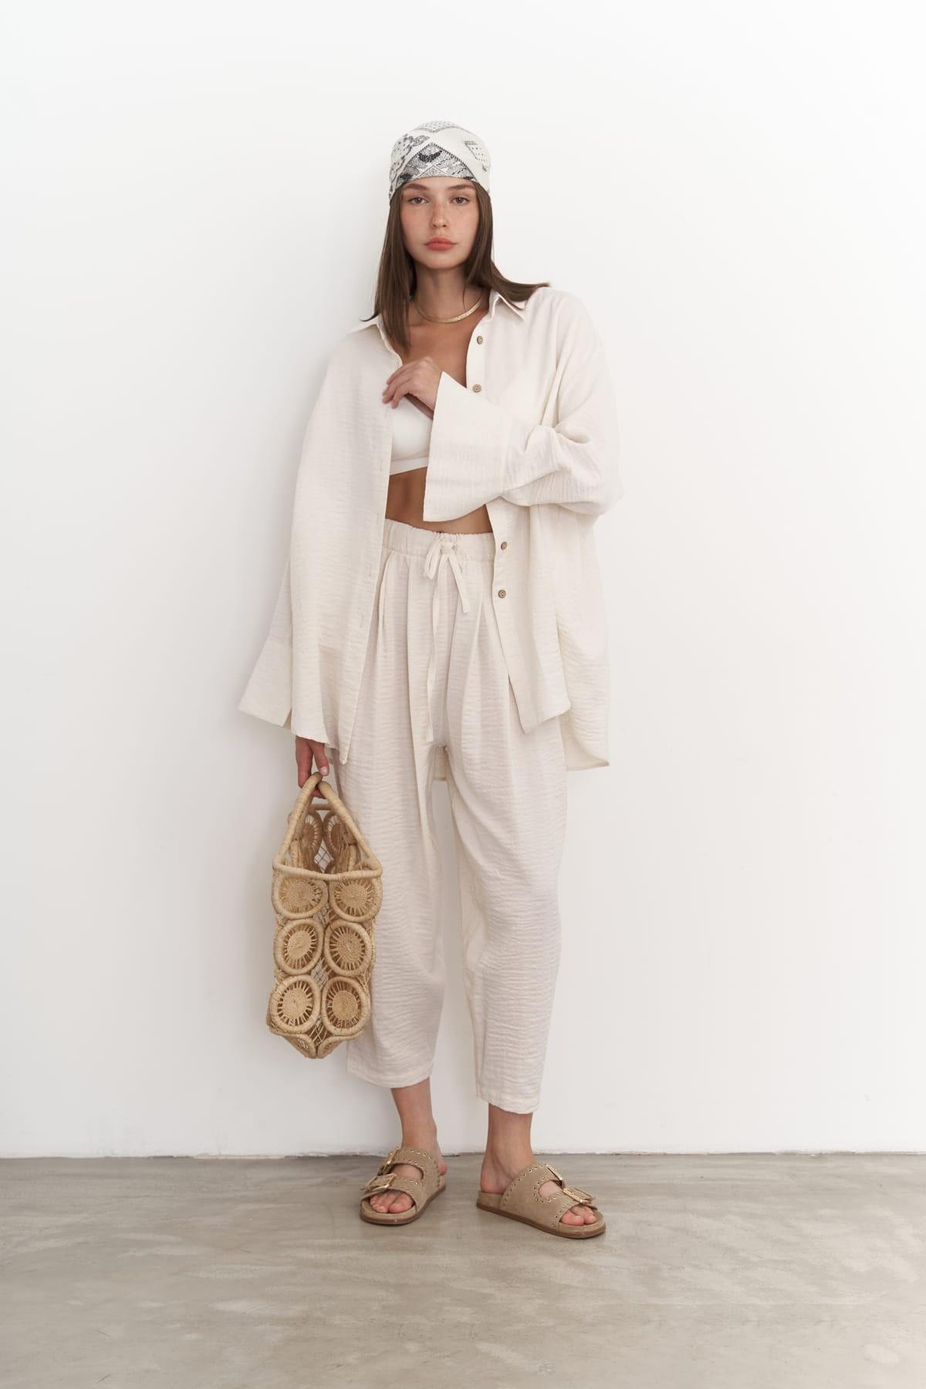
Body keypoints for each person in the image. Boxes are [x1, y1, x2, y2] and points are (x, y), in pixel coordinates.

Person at [238, 121, 623, 1239]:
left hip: (503, 611)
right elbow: (321, 530)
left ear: (484, 209)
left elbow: (590, 472)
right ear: (395, 217)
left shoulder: (549, 324)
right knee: (396, 886)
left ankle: (510, 1156)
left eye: (458, 196)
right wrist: (311, 701)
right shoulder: (358, 356)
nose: (439, 217)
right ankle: (415, 1140)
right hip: (385, 614)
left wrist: (451, 409)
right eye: (418, 198)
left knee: (522, 888)